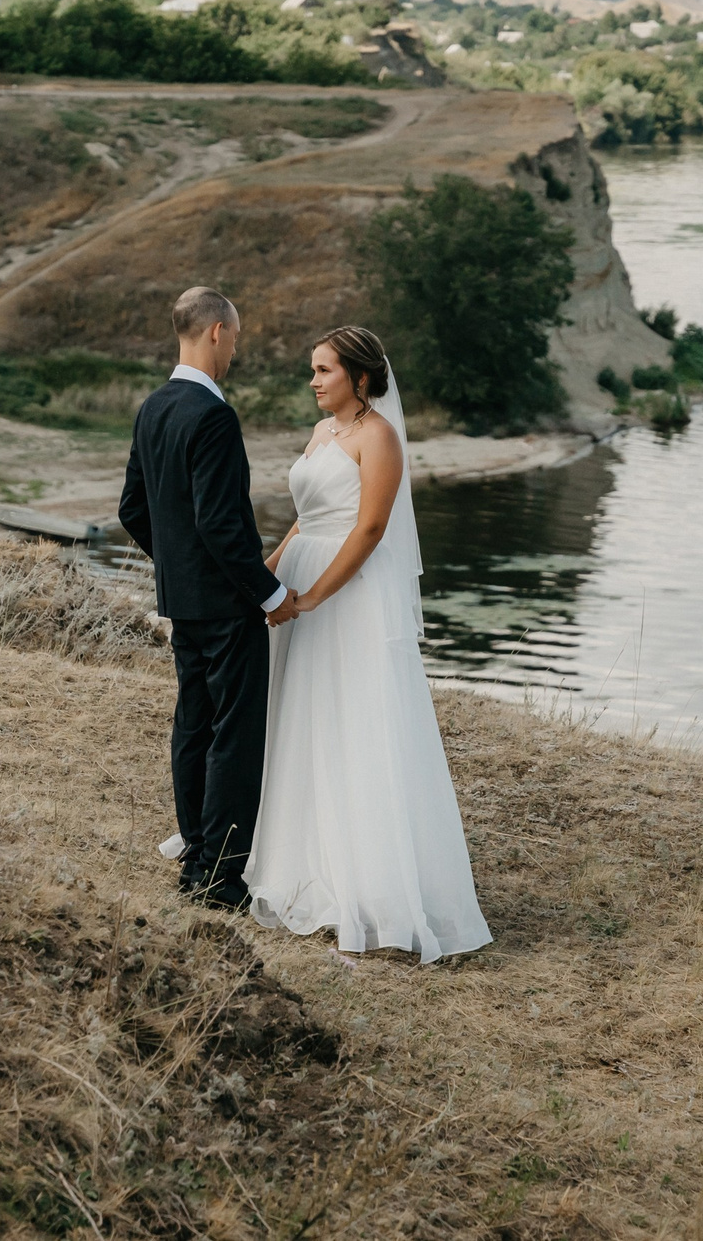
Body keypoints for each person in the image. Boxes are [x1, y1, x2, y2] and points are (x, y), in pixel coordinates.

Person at [242, 325, 491, 962]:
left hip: (348, 594)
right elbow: (309, 515)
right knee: (305, 720)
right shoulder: (325, 432)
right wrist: (272, 570)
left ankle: (373, 888)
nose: (313, 381)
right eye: (313, 369)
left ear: (359, 377)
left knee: (357, 723)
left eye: (323, 371)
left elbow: (372, 526)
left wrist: (317, 596)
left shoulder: (379, 436)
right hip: (303, 575)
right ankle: (304, 864)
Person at [119, 287, 299, 910]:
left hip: (183, 602)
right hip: (226, 606)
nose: (236, 350)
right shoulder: (213, 415)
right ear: (217, 332)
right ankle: (219, 877)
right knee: (233, 735)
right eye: (238, 337)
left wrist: (178, 570)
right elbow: (223, 525)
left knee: (193, 723)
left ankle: (197, 857)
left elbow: (132, 511)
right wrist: (270, 593)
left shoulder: (153, 408)